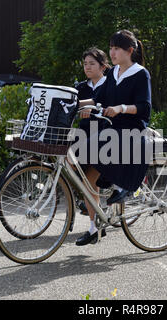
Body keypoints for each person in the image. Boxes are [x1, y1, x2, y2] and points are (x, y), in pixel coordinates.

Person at [74, 29, 152, 246]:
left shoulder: (140, 73)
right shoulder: (113, 73)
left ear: (130, 51)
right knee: (88, 177)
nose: (113, 52)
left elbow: (145, 108)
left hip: (132, 131)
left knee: (90, 149)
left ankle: (122, 185)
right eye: (111, 48)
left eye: (117, 48)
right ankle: (94, 228)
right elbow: (96, 99)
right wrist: (72, 104)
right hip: (110, 130)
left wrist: (121, 108)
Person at [74, 47, 110, 216]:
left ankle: (95, 219)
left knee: (90, 179)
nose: (87, 67)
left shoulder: (111, 85)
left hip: (104, 134)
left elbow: (104, 104)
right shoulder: (80, 87)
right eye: (85, 64)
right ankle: (94, 215)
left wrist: (91, 108)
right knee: (79, 172)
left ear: (103, 66)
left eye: (92, 64)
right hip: (85, 134)